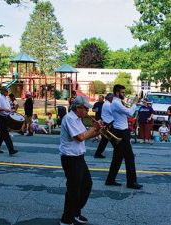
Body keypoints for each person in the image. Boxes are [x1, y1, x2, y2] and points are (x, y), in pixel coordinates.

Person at [59, 96, 102, 225]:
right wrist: (94, 129)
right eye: (86, 109)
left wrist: (98, 130)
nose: (88, 112)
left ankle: (76, 212)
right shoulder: (69, 119)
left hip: (78, 157)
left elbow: (86, 135)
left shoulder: (78, 119)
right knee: (73, 189)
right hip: (70, 158)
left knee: (87, 184)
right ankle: (66, 220)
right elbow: (80, 137)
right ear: (78, 108)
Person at [105, 84, 143, 189]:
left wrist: (133, 105)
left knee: (118, 157)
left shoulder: (117, 102)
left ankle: (110, 179)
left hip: (120, 130)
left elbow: (127, 113)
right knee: (129, 157)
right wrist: (135, 103)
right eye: (122, 92)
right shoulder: (116, 103)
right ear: (117, 93)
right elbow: (130, 112)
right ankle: (131, 183)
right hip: (121, 132)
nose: (124, 94)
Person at [0, 88, 18, 155]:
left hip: (6, 117)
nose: (7, 92)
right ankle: (11, 150)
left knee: (2, 134)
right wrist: (4, 109)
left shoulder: (6, 98)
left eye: (7, 91)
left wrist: (12, 110)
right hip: (0, 117)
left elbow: (7, 108)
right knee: (5, 134)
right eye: (6, 91)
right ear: (2, 91)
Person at [94, 93, 114, 159]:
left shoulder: (107, 103)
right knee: (106, 141)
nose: (113, 99)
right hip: (108, 125)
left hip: (108, 124)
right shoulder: (108, 104)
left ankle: (98, 153)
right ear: (110, 98)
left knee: (105, 141)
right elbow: (114, 113)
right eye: (112, 97)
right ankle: (122, 154)